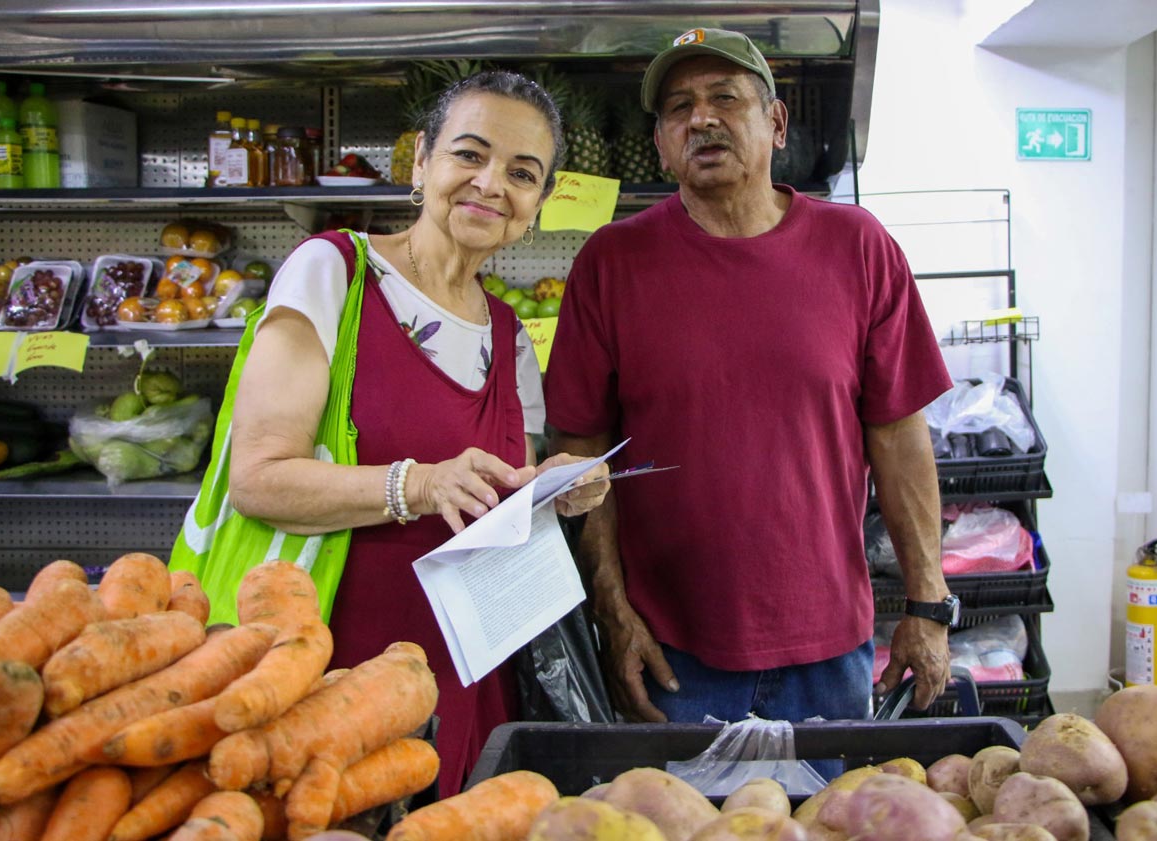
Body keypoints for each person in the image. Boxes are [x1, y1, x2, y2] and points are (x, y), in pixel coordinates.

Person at [545, 28, 955, 724]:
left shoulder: (859, 247)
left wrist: (928, 602)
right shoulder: (610, 263)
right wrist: (611, 612)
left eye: (725, 98)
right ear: (661, 144)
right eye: (679, 108)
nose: (701, 118)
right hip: (670, 656)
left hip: (829, 650)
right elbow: (581, 452)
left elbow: (899, 437)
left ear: (776, 122)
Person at [224, 70, 609, 795]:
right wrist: (422, 484)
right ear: (422, 161)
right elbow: (257, 479)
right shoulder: (334, 272)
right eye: (469, 154)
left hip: (475, 677)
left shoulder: (510, 337)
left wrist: (548, 493)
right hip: (338, 676)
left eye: (522, 173)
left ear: (538, 202)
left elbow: (493, 508)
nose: (491, 183)